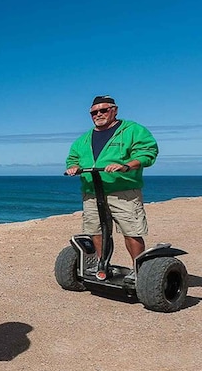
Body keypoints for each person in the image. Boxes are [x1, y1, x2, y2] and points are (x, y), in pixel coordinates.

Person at [65, 95, 159, 265]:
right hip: (92, 192)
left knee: (131, 231)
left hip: (123, 191)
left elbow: (147, 153)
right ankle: (103, 265)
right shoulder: (83, 139)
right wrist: (73, 167)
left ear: (114, 110)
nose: (98, 114)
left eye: (103, 110)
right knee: (96, 231)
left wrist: (127, 165)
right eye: (94, 112)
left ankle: (140, 270)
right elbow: (73, 158)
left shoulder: (132, 130)